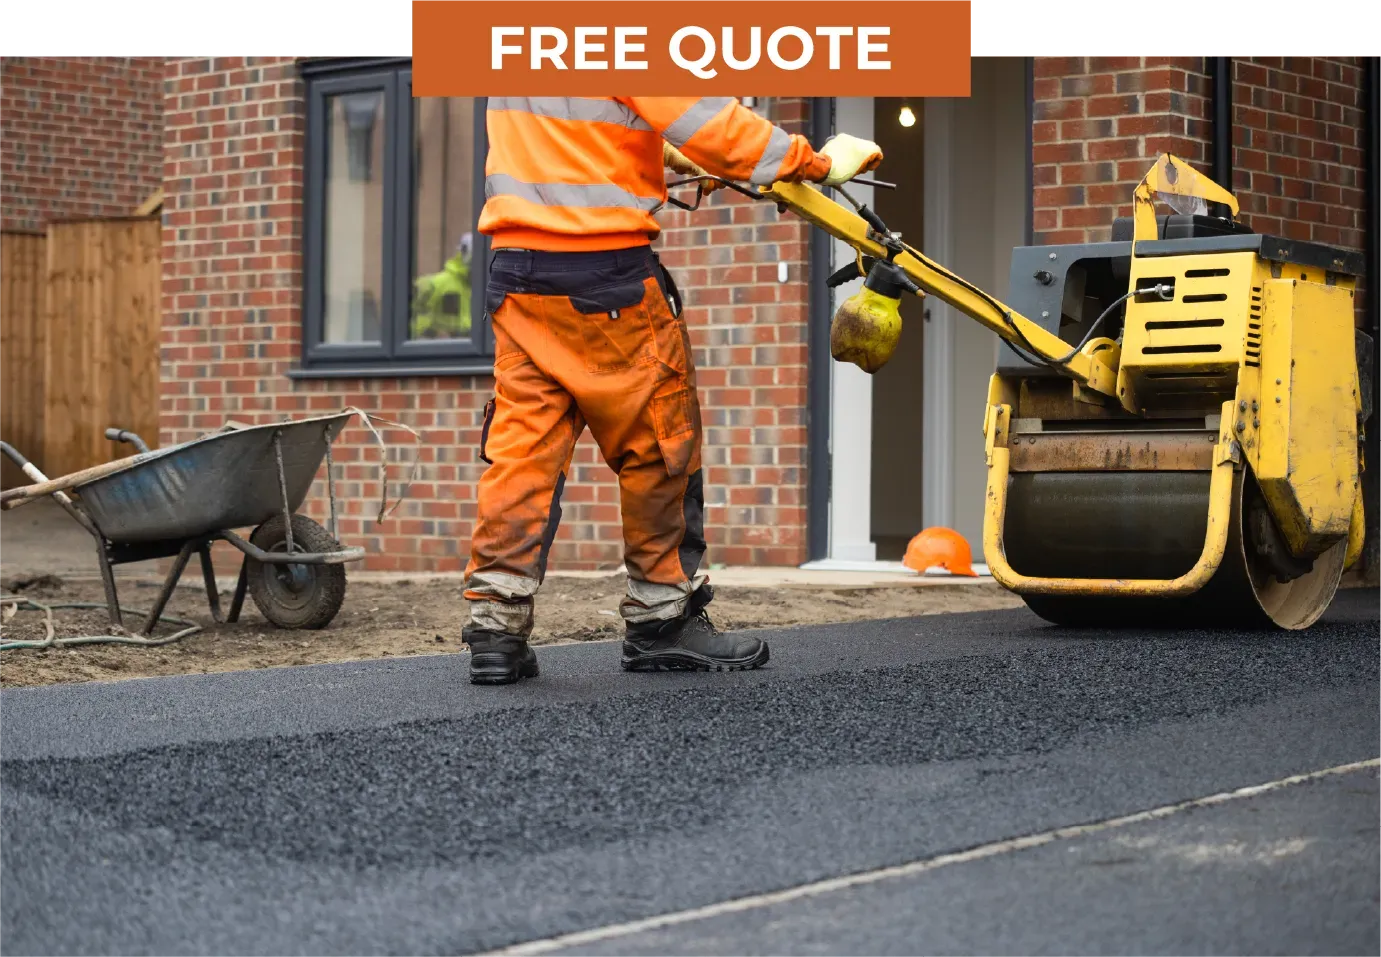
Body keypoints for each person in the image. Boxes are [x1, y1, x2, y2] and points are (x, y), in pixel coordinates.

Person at [463, 96, 883, 685]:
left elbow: (563, 135)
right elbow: (712, 121)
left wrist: (656, 151)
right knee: (660, 443)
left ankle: (495, 626)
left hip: (518, 276)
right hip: (606, 278)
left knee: (524, 451)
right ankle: (663, 619)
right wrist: (812, 161)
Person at [411, 232, 473, 339]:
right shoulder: (436, 285)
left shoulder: (492, 289)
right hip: (442, 350)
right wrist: (434, 333)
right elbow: (413, 322)